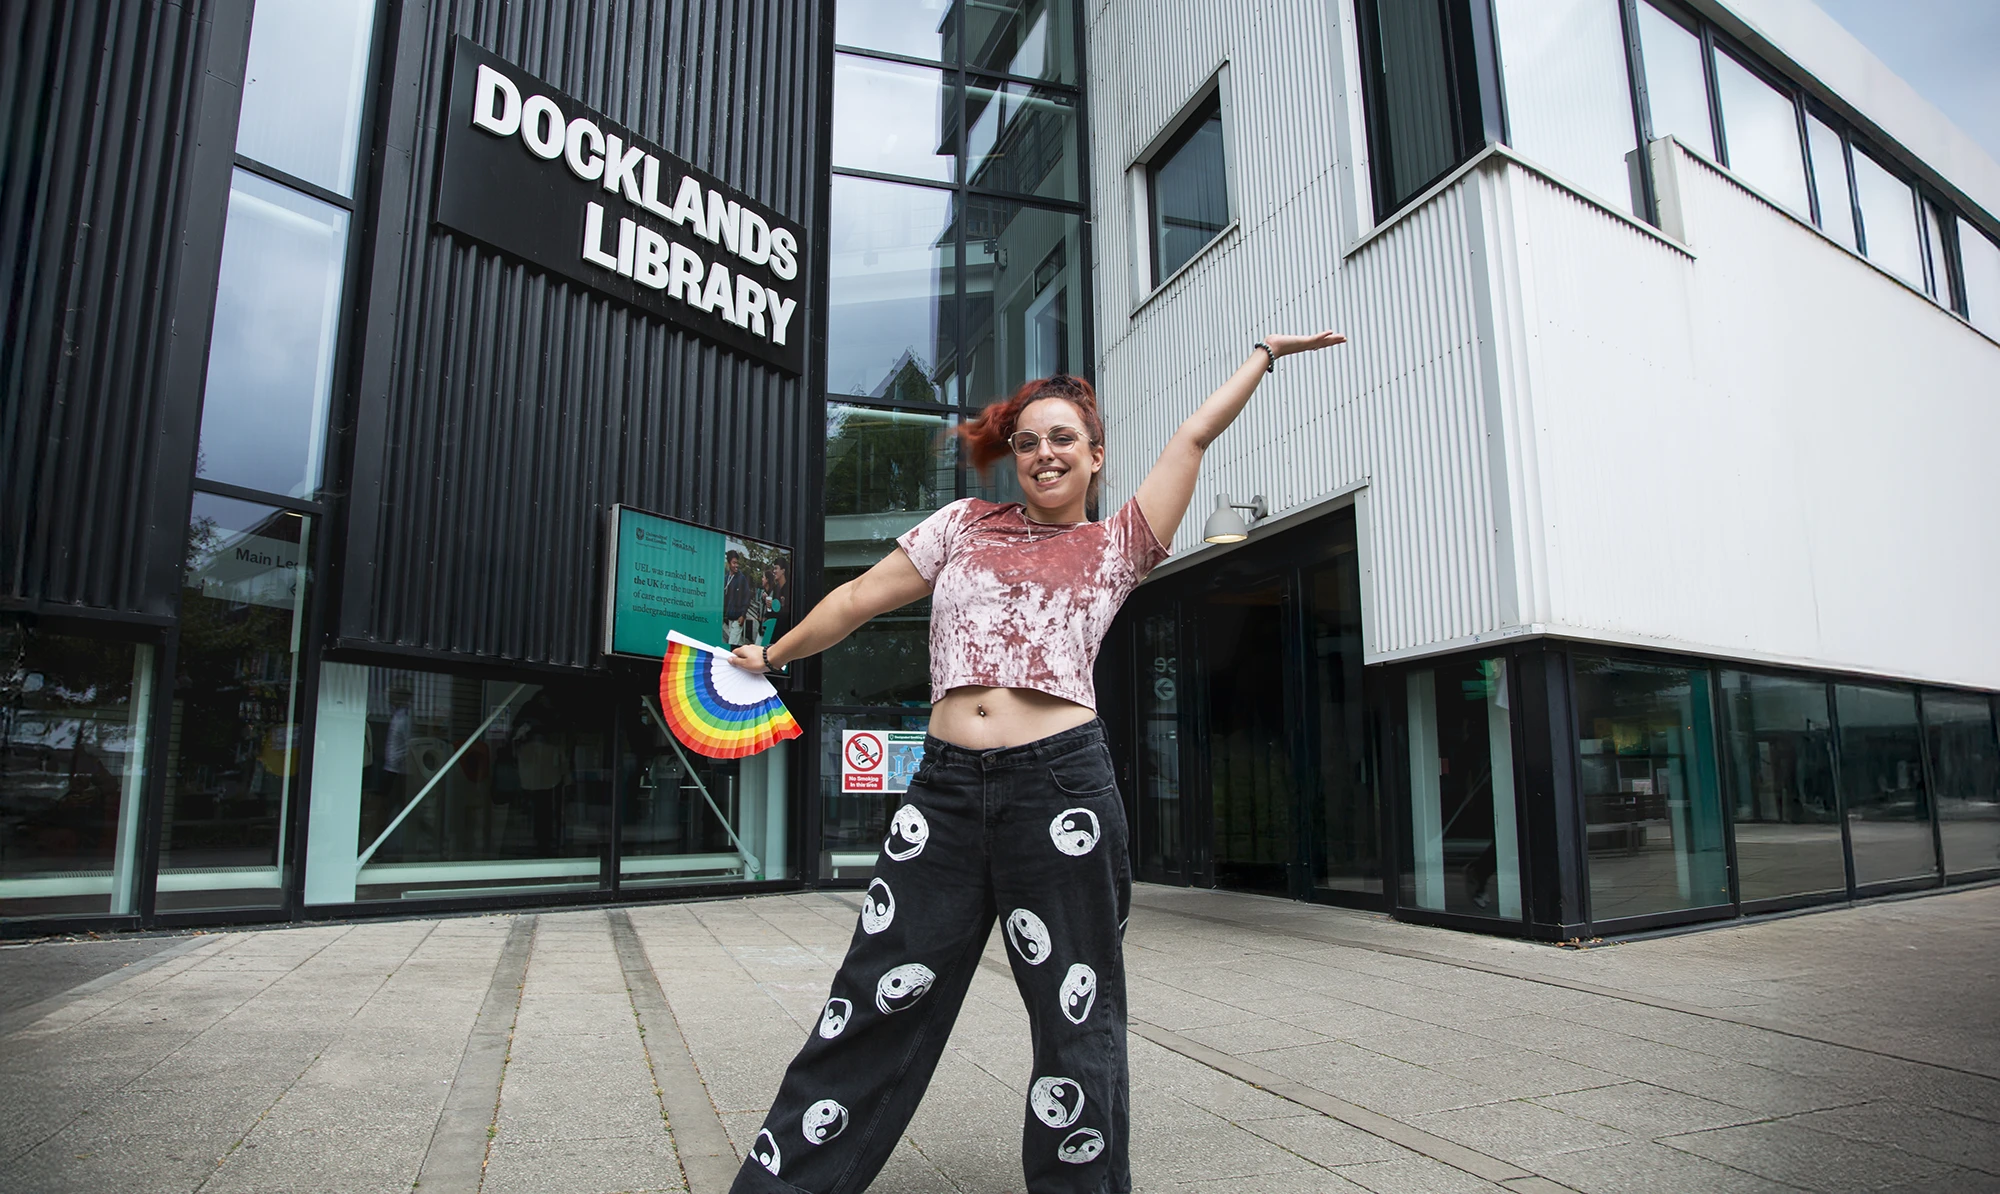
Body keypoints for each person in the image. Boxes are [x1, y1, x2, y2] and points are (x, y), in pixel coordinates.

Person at [725, 332, 1347, 1194]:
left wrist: (1264, 354)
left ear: (1095, 455)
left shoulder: (1121, 543)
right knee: (871, 994)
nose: (1042, 454)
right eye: (1026, 442)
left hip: (1061, 791)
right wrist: (774, 655)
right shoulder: (963, 525)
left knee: (1074, 1013)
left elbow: (1195, 435)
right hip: (943, 792)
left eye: (1062, 439)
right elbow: (861, 596)